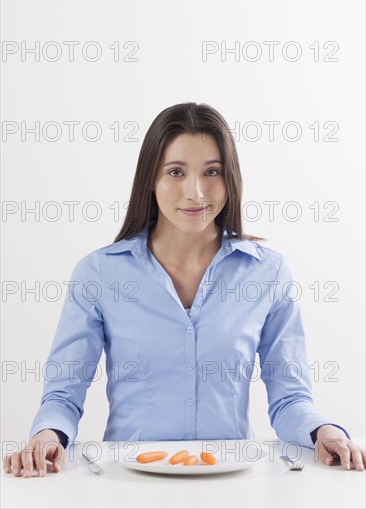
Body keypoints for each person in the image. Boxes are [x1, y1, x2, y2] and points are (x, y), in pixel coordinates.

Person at [3, 102, 365, 478]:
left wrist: (325, 431)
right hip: (130, 483)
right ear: (150, 179)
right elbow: (64, 394)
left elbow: (290, 397)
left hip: (232, 482)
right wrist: (46, 436)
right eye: (176, 172)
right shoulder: (99, 274)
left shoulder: (268, 272)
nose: (195, 192)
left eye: (212, 172)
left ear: (231, 179)